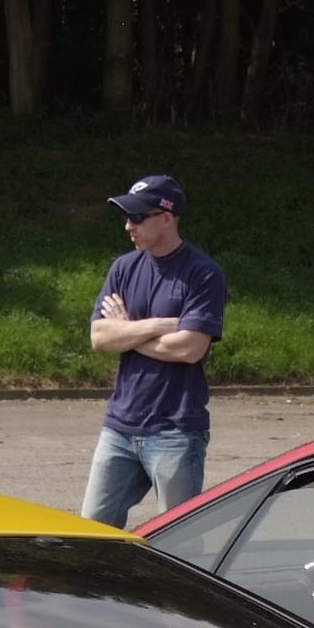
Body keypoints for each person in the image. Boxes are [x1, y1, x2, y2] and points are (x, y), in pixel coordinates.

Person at [82, 174, 226, 526]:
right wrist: (159, 325)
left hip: (176, 431)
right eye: (126, 217)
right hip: (119, 427)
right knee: (91, 530)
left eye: (137, 217)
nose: (128, 226)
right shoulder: (123, 268)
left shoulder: (203, 274)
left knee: (178, 536)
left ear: (166, 218)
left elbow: (189, 348)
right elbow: (100, 337)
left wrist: (127, 330)